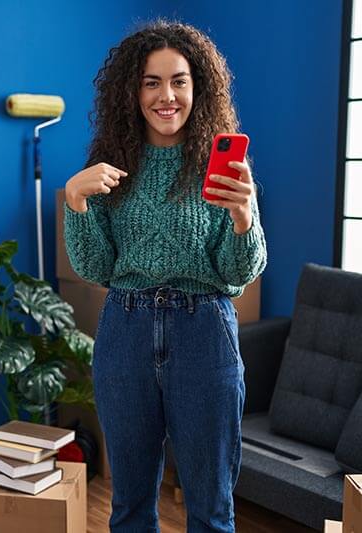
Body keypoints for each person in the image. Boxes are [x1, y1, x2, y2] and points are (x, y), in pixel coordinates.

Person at [63, 20, 267, 533]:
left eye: (178, 80)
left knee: (211, 509)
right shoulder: (112, 163)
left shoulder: (222, 168)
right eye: (151, 82)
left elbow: (237, 276)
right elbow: (96, 269)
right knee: (129, 506)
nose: (166, 96)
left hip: (204, 334)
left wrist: (244, 217)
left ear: (198, 87)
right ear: (132, 91)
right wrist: (75, 201)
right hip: (125, 333)